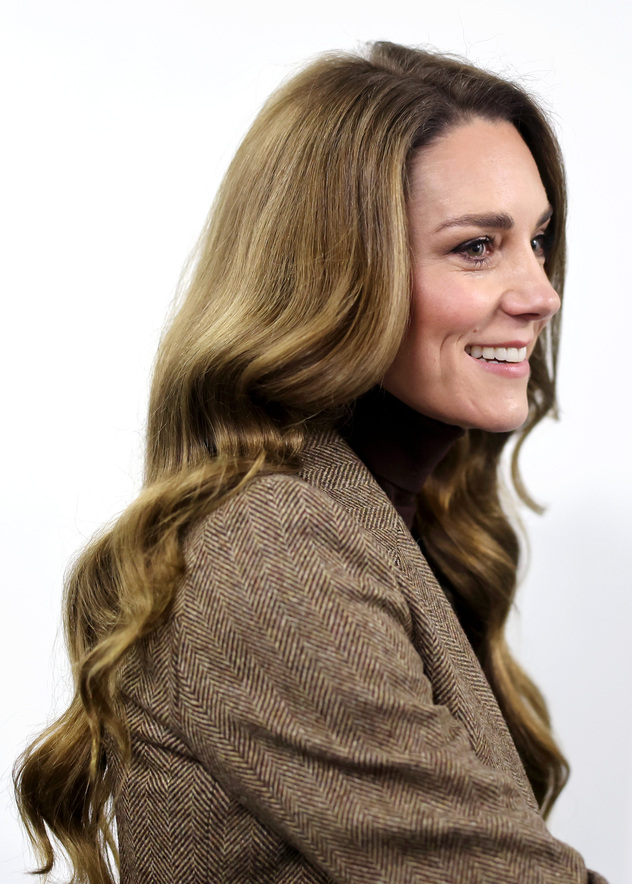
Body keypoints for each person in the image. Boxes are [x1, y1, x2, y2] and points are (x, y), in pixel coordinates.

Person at [15, 41, 607, 883]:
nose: (541, 293)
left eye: (538, 239)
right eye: (477, 247)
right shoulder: (274, 547)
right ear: (339, 275)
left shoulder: (397, 520)